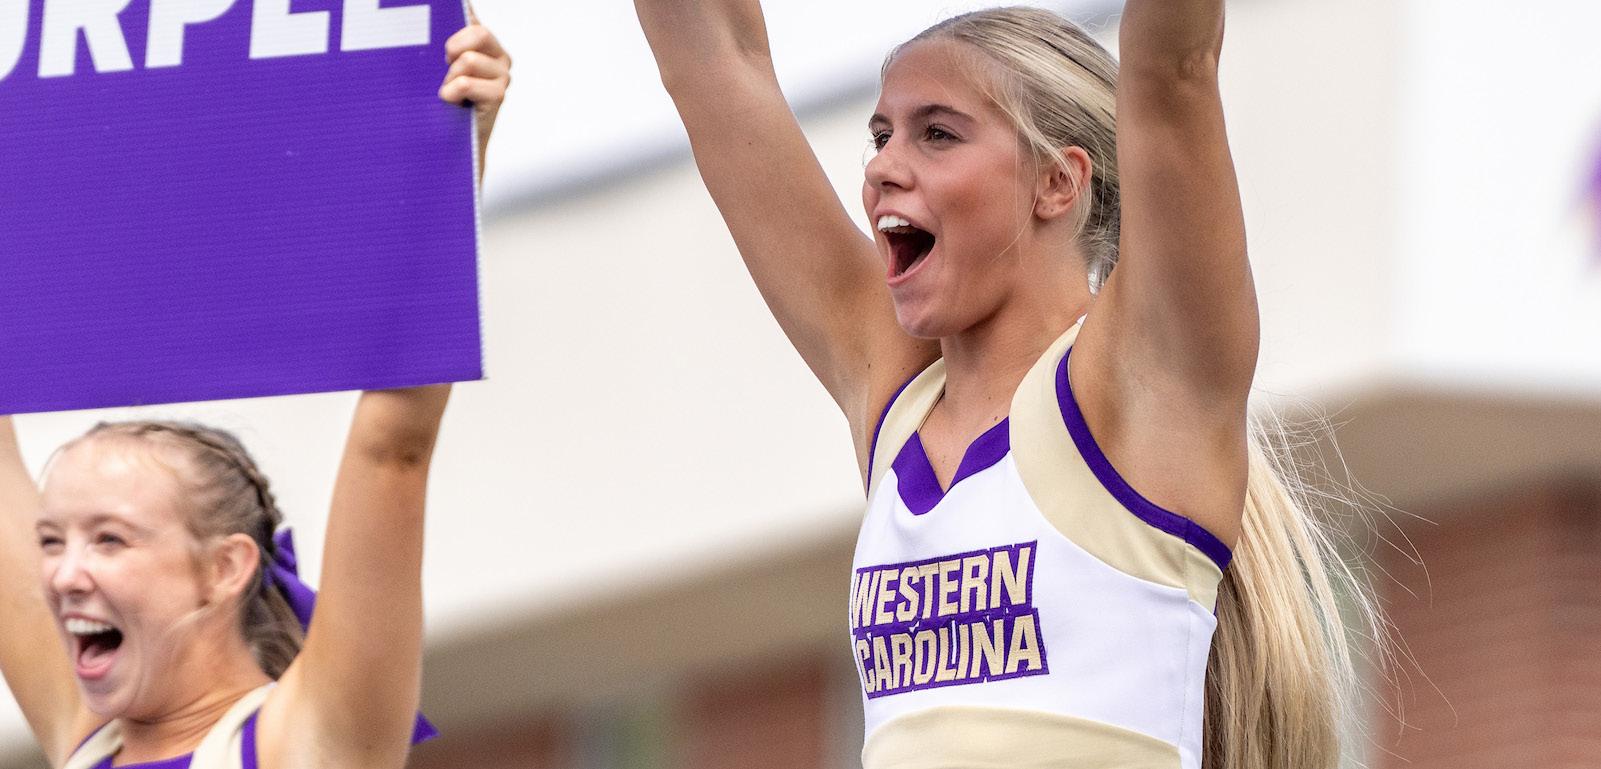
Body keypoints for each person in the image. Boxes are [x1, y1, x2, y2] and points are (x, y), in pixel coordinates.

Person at [633, 2, 1372, 768]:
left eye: (936, 133)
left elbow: (1172, 70)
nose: (881, 168)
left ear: (1056, 181)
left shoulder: (1142, 385)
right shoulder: (898, 406)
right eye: (881, 137)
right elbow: (714, 59)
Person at [0, 20, 511, 769]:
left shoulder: (307, 740)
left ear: (225, 567)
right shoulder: (87, 738)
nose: (62, 573)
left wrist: (453, 149)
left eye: (109, 539)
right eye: (51, 541)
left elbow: (392, 446)